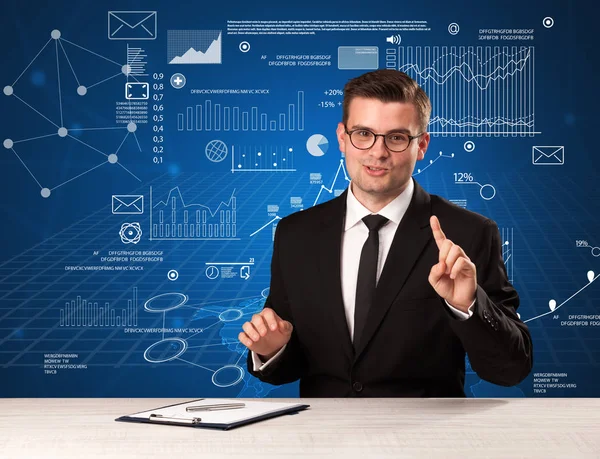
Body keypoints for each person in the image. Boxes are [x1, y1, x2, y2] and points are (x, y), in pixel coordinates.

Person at [239, 69, 533, 397]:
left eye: (396, 137)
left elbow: (510, 370)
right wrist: (271, 349)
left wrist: (468, 305)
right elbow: (290, 363)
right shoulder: (295, 235)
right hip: (325, 440)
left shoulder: (470, 233)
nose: (378, 152)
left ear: (421, 145)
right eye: (363, 133)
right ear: (342, 137)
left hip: (423, 441)